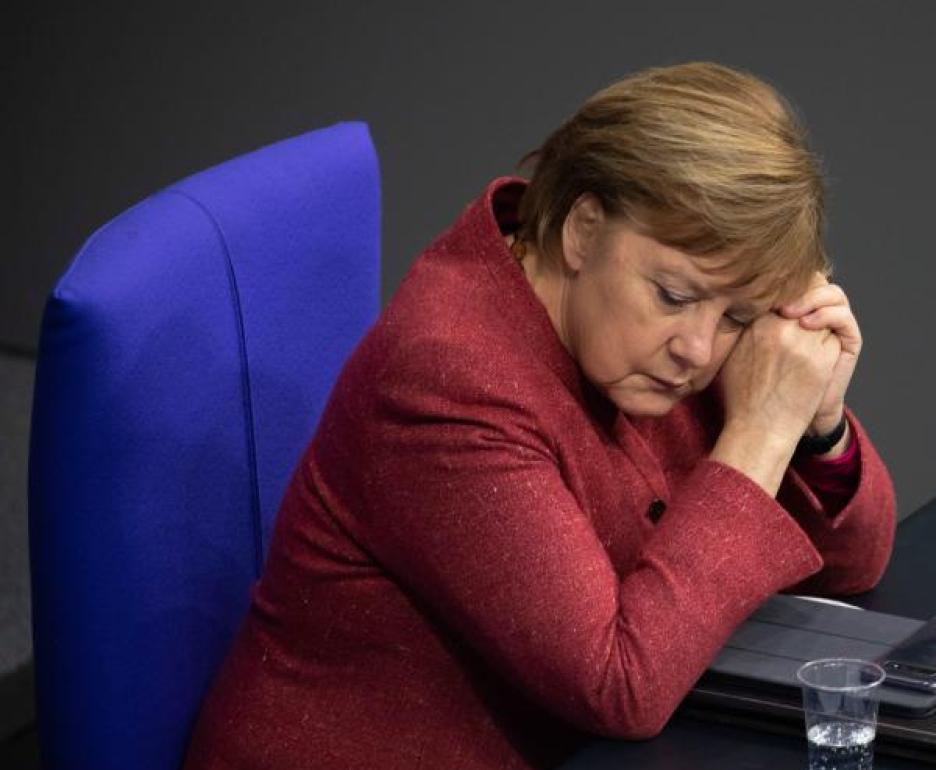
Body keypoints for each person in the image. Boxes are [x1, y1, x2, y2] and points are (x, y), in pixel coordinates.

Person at [184, 61, 896, 770]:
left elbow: (853, 566)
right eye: (673, 296)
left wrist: (816, 426)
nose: (699, 349)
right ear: (583, 231)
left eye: (739, 316)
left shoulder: (662, 323)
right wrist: (760, 431)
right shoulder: (446, 380)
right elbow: (620, 687)